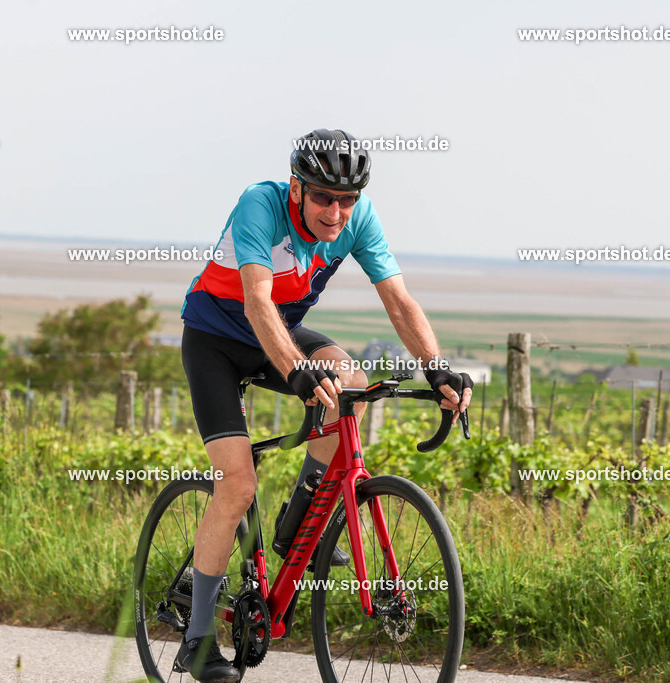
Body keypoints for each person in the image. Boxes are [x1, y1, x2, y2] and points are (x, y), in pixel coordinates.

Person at [175, 128, 473, 682]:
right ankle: (196, 639)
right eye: (322, 198)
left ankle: (300, 533)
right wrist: (295, 371)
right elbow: (258, 301)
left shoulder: (358, 220)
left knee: (350, 388)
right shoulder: (259, 203)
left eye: (347, 200)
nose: (336, 213)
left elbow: (398, 299)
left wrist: (436, 366)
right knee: (237, 486)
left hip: (281, 332)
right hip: (217, 339)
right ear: (296, 188)